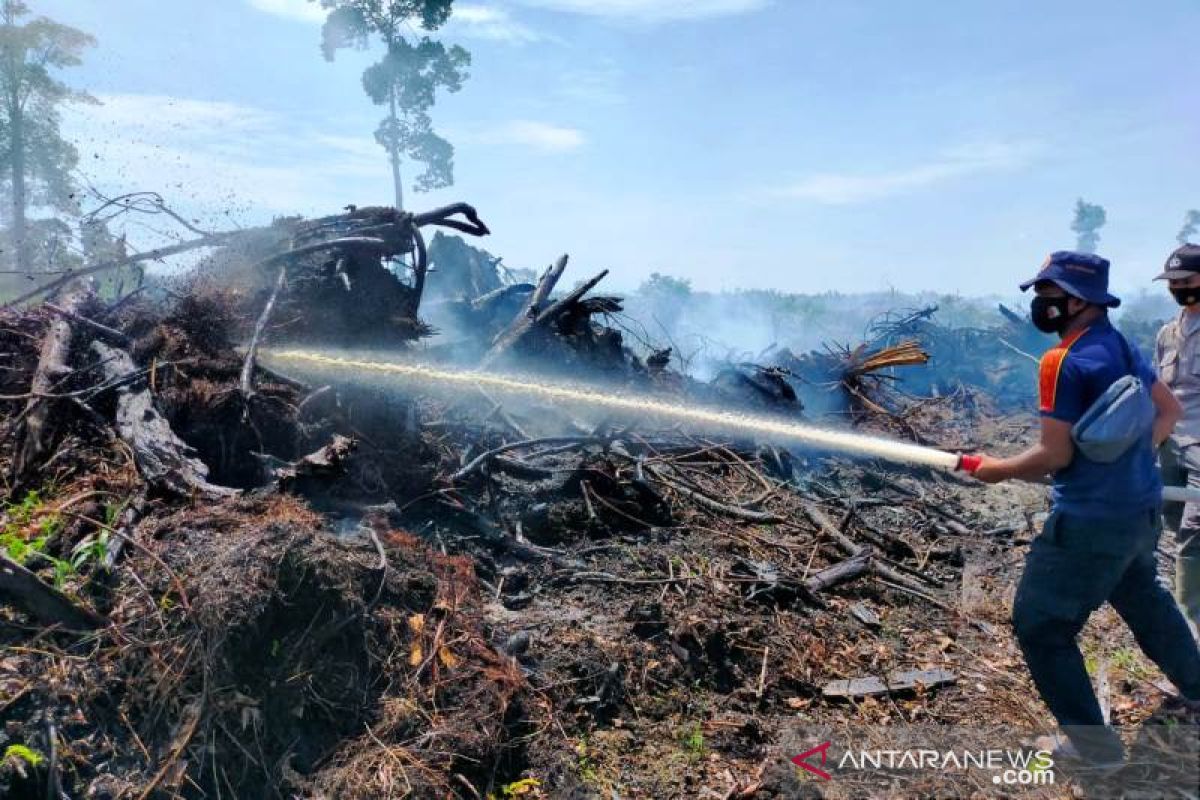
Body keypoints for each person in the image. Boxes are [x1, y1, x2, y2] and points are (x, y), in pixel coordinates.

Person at [966, 250, 1200, 766]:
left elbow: (1054, 455)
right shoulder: (1119, 345)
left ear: (1076, 300)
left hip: (1090, 523)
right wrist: (1134, 460)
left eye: (1049, 294)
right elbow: (1169, 411)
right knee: (1143, 595)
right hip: (1139, 510)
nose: (1042, 304)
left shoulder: (1062, 362)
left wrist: (996, 468)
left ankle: (1094, 750)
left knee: (1041, 624)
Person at [1154, 243, 1200, 631]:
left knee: (1193, 533)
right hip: (1171, 448)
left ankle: (1193, 623)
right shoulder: (1168, 334)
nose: (1179, 288)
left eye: (1187, 280)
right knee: (1174, 524)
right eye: (1173, 282)